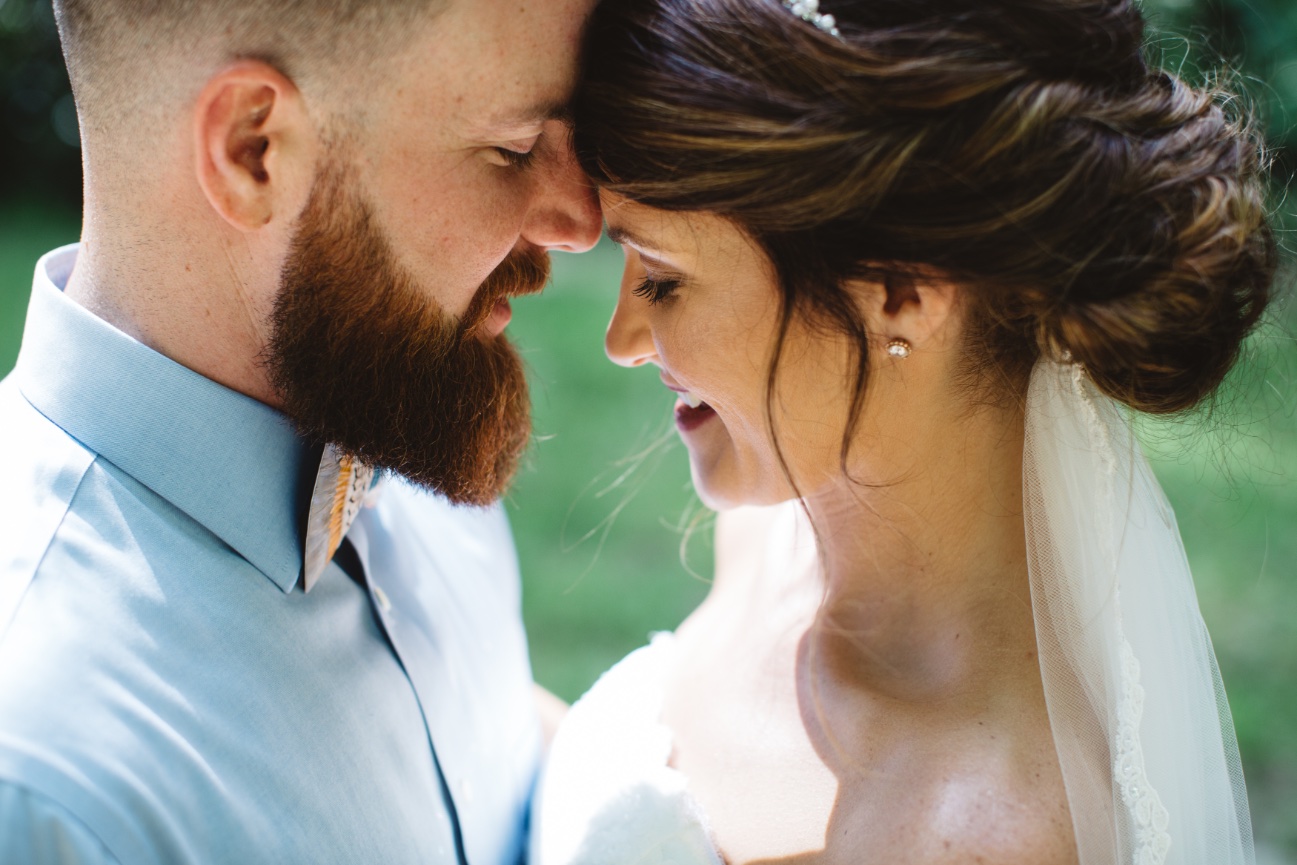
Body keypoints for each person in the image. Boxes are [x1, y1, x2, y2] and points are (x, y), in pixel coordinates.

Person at [530, 0, 1275, 862]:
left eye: (662, 280)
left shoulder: (980, 830)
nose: (619, 341)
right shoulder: (770, 533)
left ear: (898, 290)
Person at [0, 0, 601, 863]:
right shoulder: (46, 787)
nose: (580, 222)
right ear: (255, 153)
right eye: (511, 151)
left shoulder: (396, 398)